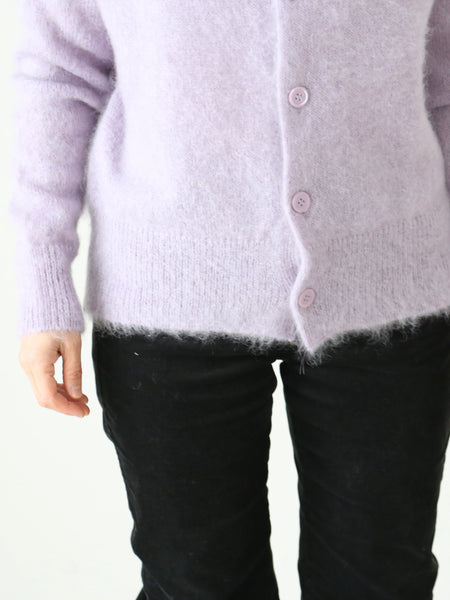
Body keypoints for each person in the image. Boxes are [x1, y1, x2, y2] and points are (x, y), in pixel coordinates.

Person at [9, 1, 450, 599]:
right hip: (167, 289)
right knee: (197, 585)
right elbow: (60, 73)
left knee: (381, 583)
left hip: (391, 284)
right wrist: (43, 281)